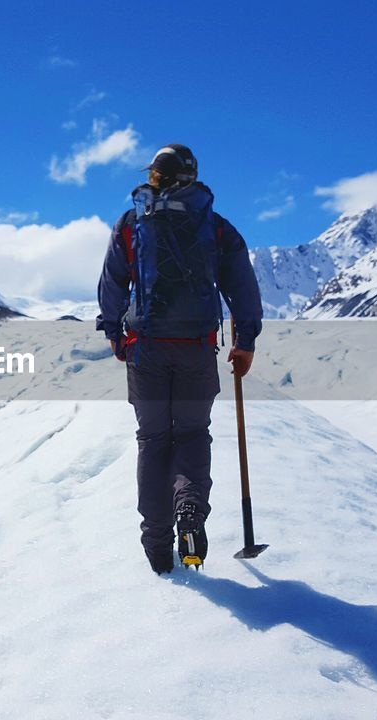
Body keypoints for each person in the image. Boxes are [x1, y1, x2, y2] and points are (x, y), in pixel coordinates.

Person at [95, 144, 263, 574]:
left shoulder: (133, 224)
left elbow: (113, 282)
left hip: (146, 349)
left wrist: (115, 332)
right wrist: (245, 341)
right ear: (192, 176)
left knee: (152, 441)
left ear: (154, 175)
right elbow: (242, 288)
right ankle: (189, 510)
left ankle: (156, 545)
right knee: (191, 435)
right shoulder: (216, 227)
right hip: (195, 349)